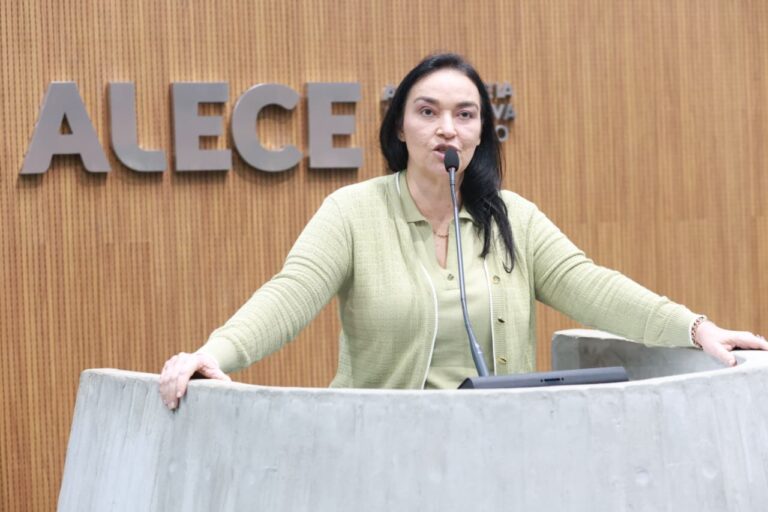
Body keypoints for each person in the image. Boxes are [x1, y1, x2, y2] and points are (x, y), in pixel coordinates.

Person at [159, 53, 767, 409]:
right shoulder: (352, 213)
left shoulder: (513, 217)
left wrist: (696, 328)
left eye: (465, 114)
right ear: (400, 127)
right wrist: (214, 353)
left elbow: (594, 288)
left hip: (497, 449)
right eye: (427, 112)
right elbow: (289, 295)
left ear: (480, 133)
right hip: (381, 451)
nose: (446, 128)